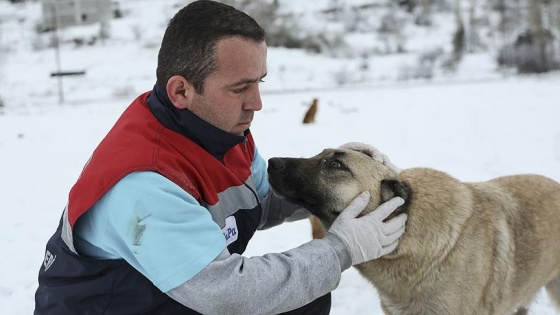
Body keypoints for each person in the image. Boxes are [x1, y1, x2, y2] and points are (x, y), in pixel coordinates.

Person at [34, 1, 407, 314]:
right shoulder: (144, 182)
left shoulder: (217, 131)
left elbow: (260, 203)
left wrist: (335, 180)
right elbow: (227, 293)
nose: (256, 103)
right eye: (239, 88)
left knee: (302, 297)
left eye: (259, 82)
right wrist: (341, 248)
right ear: (181, 90)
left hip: (169, 296)